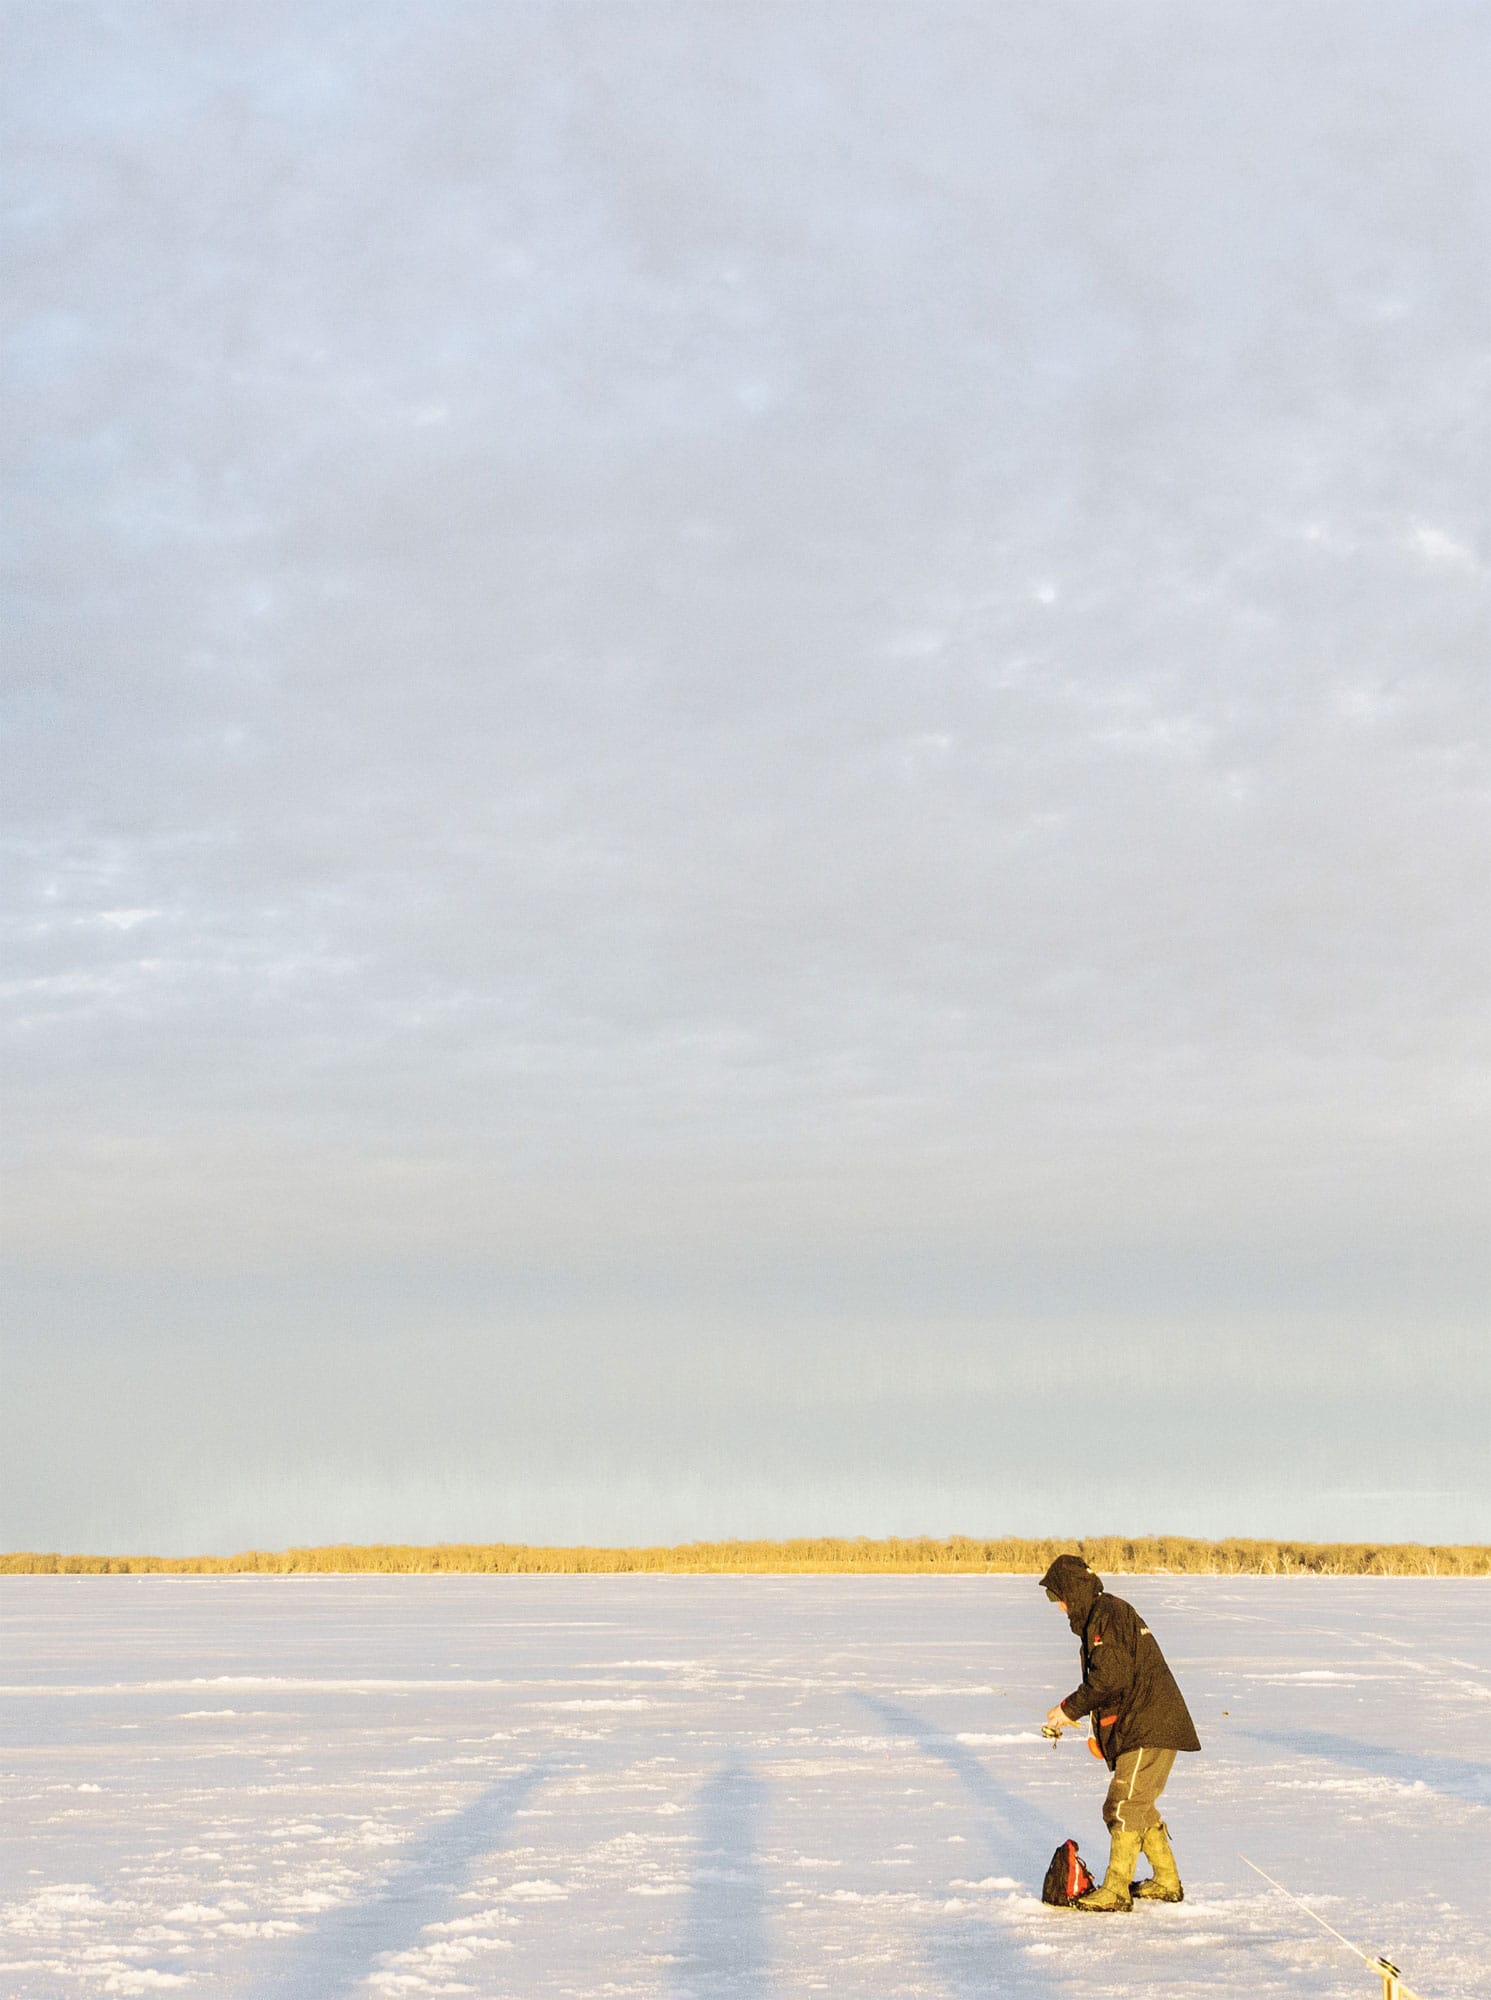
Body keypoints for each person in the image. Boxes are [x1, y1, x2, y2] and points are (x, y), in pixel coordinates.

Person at [1039, 1552, 1200, 1912]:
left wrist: (1068, 1709)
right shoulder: (1105, 1615)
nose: (1059, 1606)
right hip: (1142, 1724)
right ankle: (1166, 1880)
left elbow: (1110, 1678)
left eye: (1057, 1596)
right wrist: (1103, 1734)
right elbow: (1116, 1681)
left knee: (1123, 1805)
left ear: (1073, 1591)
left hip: (1149, 1725)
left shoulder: (1106, 1617)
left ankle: (1115, 1890)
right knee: (1138, 1804)